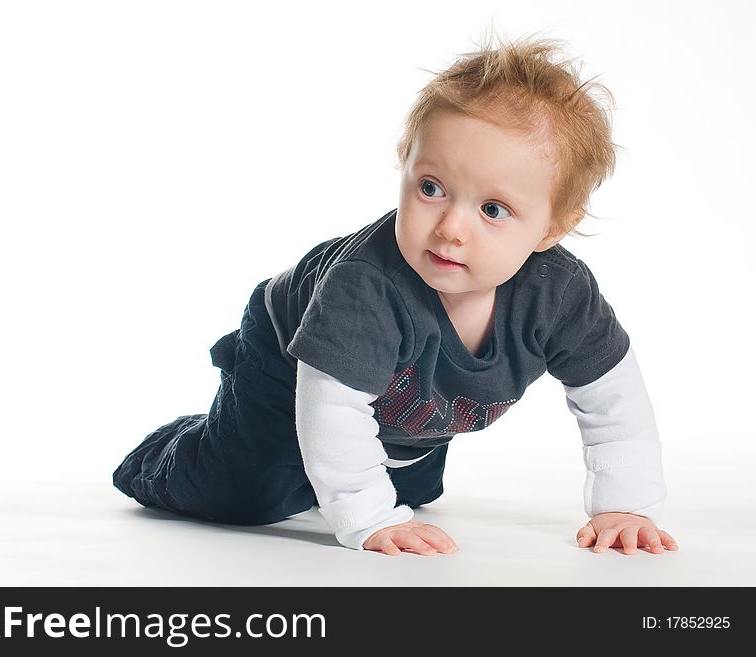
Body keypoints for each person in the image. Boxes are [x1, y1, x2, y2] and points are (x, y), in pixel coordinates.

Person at [113, 34, 679, 557]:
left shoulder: (559, 296)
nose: (452, 227)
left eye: (493, 209)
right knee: (249, 492)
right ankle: (176, 449)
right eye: (430, 188)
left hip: (400, 410)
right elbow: (333, 405)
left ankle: (354, 468)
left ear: (553, 228)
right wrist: (369, 518)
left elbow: (614, 403)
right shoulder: (365, 286)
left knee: (414, 488)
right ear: (404, 166)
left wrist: (624, 503)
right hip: (289, 360)